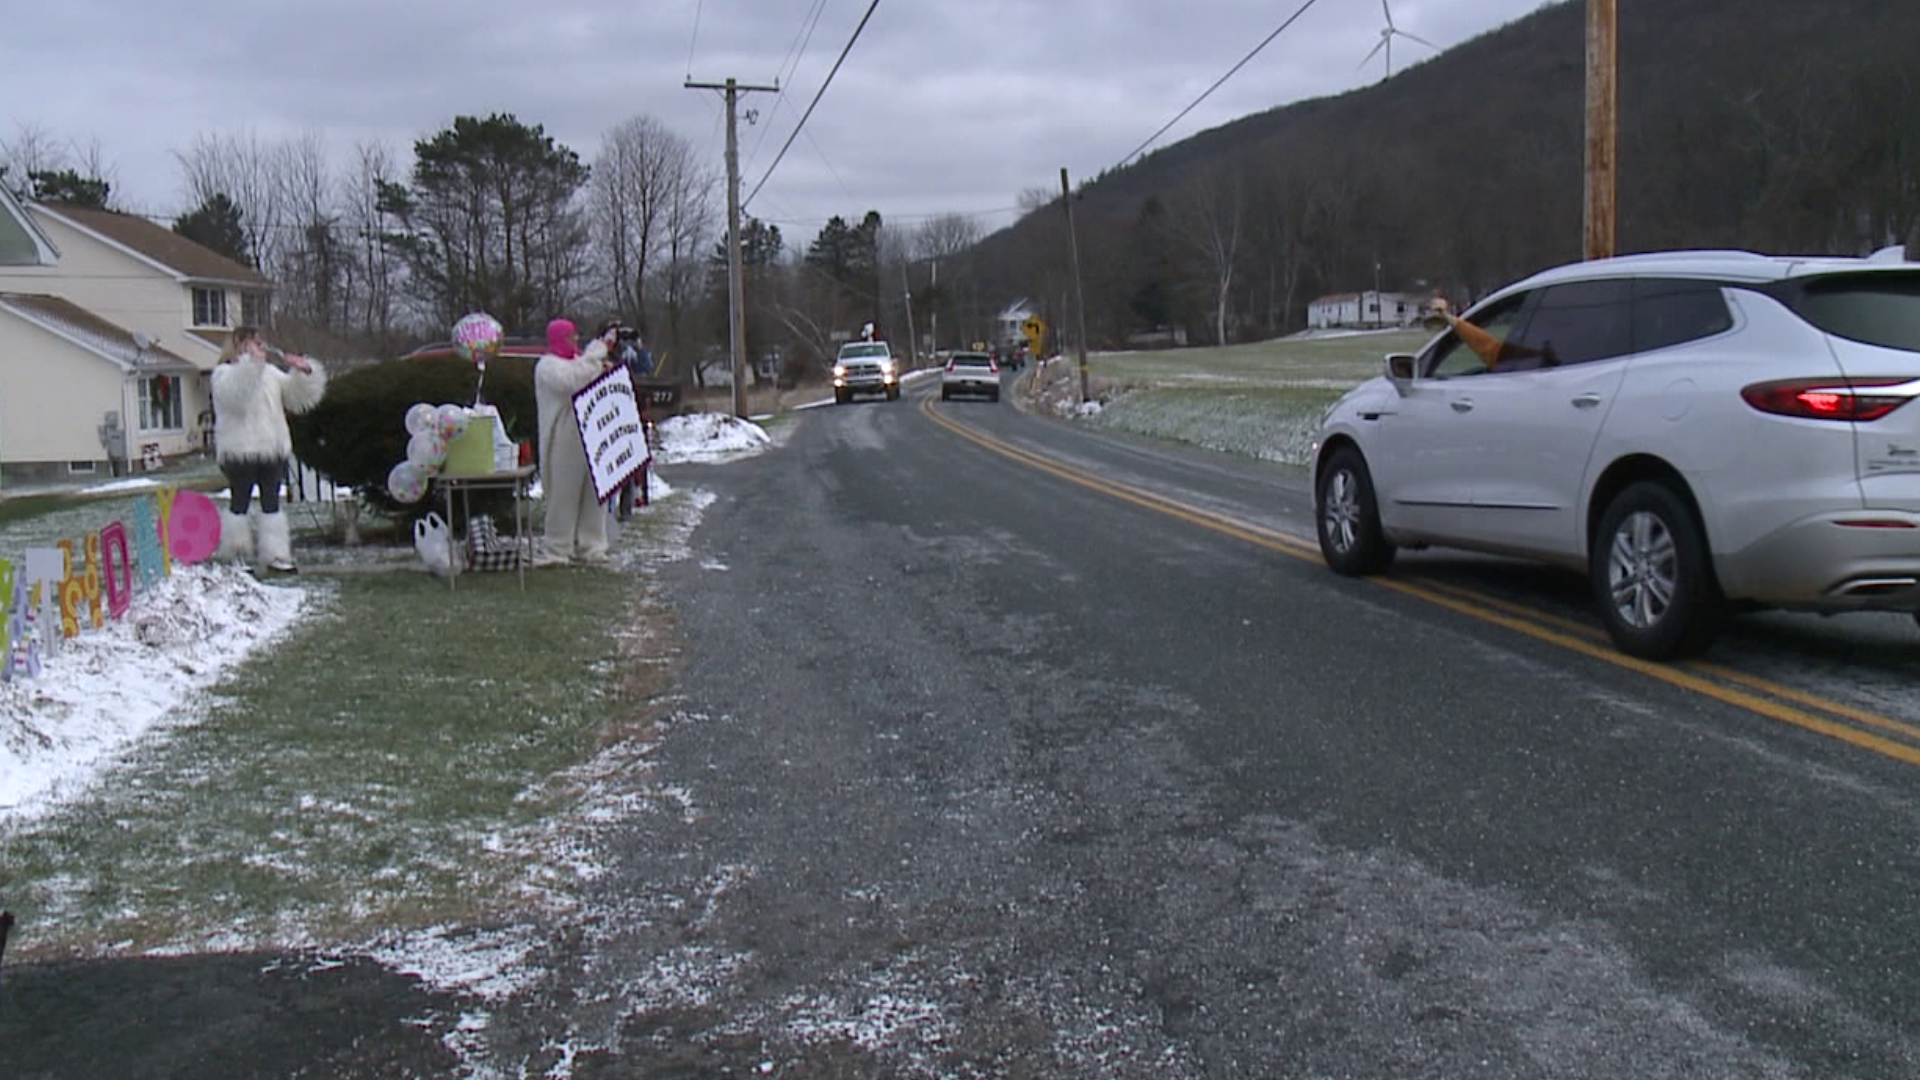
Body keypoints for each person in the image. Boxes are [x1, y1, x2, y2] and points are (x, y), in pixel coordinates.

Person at [211, 326, 327, 572]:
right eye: (254, 342)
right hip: (240, 450)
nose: (260, 346)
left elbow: (297, 398)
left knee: (271, 502)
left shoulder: (271, 374)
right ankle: (236, 555)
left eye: (260, 342)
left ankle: (275, 555)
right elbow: (237, 398)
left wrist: (303, 371)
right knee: (239, 501)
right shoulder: (223, 374)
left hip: (273, 448)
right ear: (240, 345)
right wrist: (251, 365)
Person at [534, 317, 616, 564]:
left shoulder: (580, 363)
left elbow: (588, 375)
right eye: (570, 337)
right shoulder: (547, 366)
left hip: (590, 434)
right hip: (563, 437)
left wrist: (604, 369)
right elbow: (571, 381)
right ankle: (559, 547)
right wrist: (597, 352)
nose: (575, 341)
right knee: (564, 493)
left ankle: (592, 545)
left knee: (594, 492)